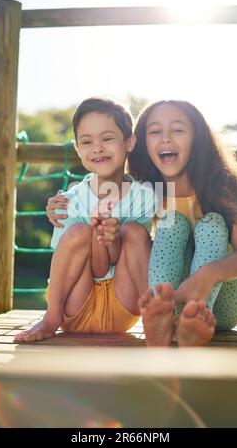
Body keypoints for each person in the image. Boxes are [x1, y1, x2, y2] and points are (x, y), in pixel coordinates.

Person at [47, 100, 237, 347]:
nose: (166, 139)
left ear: (197, 138)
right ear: (141, 142)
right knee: (173, 224)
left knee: (211, 223)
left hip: (225, 301)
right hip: (176, 299)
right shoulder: (146, 188)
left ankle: (195, 318)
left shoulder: (222, 186)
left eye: (178, 130)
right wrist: (61, 203)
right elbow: (101, 193)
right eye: (155, 131)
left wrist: (208, 275)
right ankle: (166, 321)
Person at [14, 98, 155, 343]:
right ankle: (50, 318)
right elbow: (85, 267)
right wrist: (98, 235)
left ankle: (154, 318)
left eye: (107, 139)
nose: (97, 148)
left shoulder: (145, 197)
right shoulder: (69, 201)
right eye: (87, 142)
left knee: (134, 232)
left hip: (125, 306)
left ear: (129, 142)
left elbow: (121, 261)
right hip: (75, 306)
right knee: (79, 232)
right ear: (78, 150)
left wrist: (113, 237)